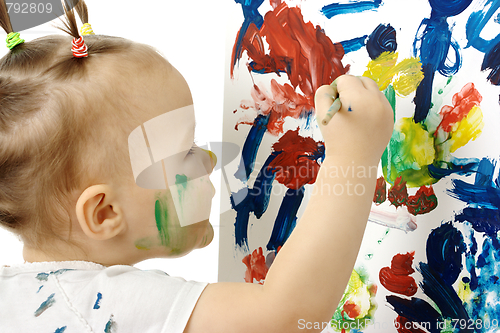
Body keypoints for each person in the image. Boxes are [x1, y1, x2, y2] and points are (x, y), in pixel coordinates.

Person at [0, 1, 394, 332]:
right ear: (104, 213)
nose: (209, 159)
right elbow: (288, 315)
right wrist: (353, 157)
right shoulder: (106, 305)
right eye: (186, 151)